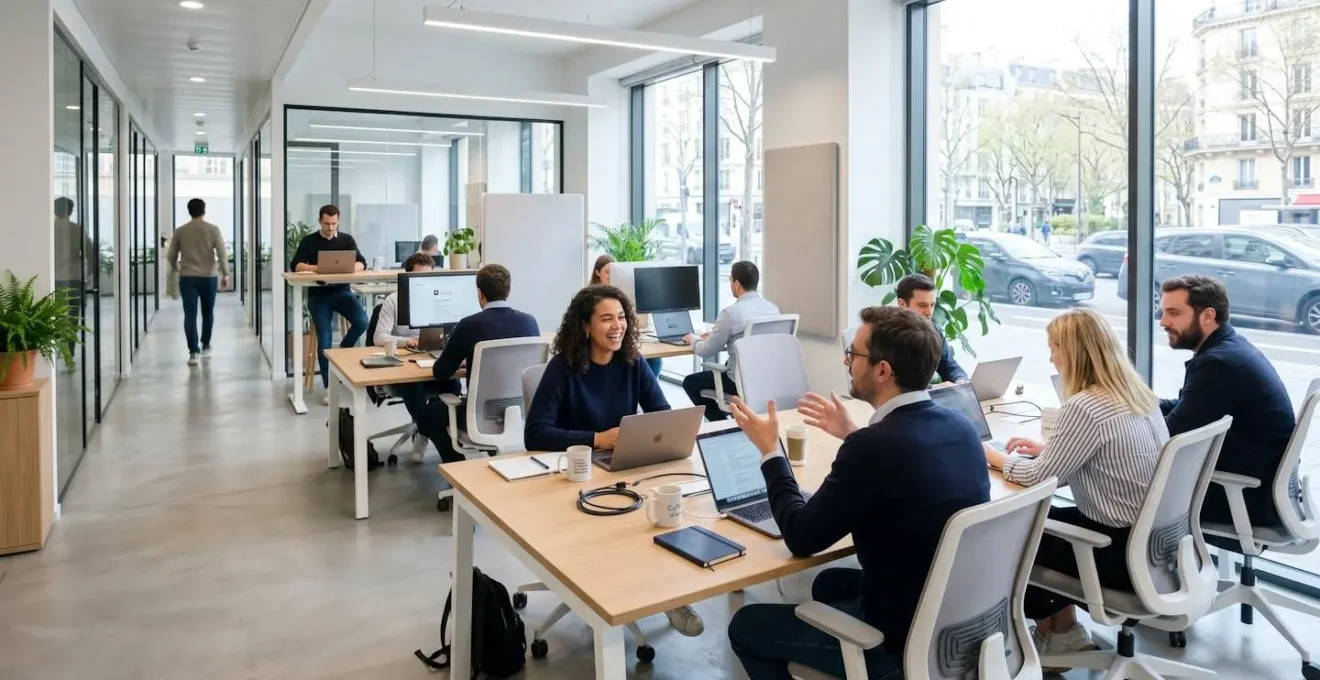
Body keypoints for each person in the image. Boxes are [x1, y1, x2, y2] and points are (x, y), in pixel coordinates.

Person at [725, 306, 990, 680]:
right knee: (827, 583)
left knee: (747, 625)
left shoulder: (874, 447)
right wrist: (854, 434)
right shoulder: (960, 426)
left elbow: (801, 537)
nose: (847, 362)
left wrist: (771, 452)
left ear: (883, 370)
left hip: (902, 637)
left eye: (854, 354)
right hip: (953, 617)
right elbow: (905, 470)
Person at [983, 308, 1166, 665]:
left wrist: (994, 457)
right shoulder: (1137, 394)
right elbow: (1100, 459)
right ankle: (1063, 629)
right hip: (1154, 545)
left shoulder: (1085, 406)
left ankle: (1054, 631)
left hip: (1116, 553)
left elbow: (1039, 479)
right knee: (1040, 520)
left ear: (1074, 352)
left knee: (1013, 532)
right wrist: (1050, 451)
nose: (1050, 357)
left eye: (1053, 347)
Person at [524, 285, 704, 637]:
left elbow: (661, 413)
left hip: (622, 467)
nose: (617, 325)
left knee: (667, 511)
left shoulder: (632, 363)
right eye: (606, 318)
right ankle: (612, 593)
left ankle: (668, 595)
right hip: (574, 475)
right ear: (585, 326)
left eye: (621, 317)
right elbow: (536, 433)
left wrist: (653, 436)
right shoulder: (563, 367)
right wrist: (595, 439)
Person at [1158, 275, 1295, 529]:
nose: (1163, 322)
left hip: (1244, 498)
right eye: (1163, 312)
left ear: (1208, 316)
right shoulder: (1230, 348)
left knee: (1129, 494)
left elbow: (1173, 434)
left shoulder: (1218, 364)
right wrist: (1138, 404)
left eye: (1173, 313)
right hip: (1262, 489)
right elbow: (1185, 409)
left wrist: (1125, 429)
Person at [420, 264, 540, 464]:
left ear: (480, 294)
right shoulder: (529, 322)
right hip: (520, 415)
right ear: (508, 291)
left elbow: (441, 372)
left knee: (427, 416)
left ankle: (459, 471)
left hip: (479, 418)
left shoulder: (468, 325)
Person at [288, 204, 369, 404]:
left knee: (362, 322)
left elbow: (362, 263)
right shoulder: (309, 241)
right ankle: (328, 387)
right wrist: (319, 269)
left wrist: (352, 268)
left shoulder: (346, 240)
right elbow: (296, 265)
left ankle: (341, 351)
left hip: (342, 293)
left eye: (334, 223)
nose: (331, 227)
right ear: (319, 221)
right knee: (324, 339)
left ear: (338, 221)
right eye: (327, 223)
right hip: (319, 296)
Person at [681, 261, 780, 420]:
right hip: (766, 381)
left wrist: (693, 339)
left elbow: (706, 351)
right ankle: (736, 422)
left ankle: (721, 423)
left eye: (730, 280)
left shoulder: (731, 313)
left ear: (737, 284)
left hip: (738, 383)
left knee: (691, 382)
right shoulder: (773, 309)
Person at [372, 252, 439, 462]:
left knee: (453, 386)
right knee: (414, 387)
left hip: (432, 358)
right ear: (407, 277)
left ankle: (438, 432)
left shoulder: (436, 298)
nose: (423, 283)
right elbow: (378, 336)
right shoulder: (393, 301)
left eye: (428, 277)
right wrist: (405, 342)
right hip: (403, 364)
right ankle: (426, 431)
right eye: (418, 277)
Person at [167, 198, 230, 366]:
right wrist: (225, 274)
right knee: (208, 312)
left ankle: (193, 352)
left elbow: (171, 256)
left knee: (190, 313)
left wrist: (177, 268)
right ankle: (206, 344)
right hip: (209, 277)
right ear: (204, 210)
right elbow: (222, 255)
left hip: (187, 278)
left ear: (189, 211)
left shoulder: (180, 231)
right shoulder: (213, 230)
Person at [591, 254, 663, 377]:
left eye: (613, 272)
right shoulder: (590, 298)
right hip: (607, 343)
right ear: (597, 273)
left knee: (655, 360)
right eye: (607, 272)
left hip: (628, 338)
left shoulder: (621, 295)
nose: (610, 276)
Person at [894, 273, 968, 384]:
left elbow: (949, 366)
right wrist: (934, 389)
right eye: (922, 305)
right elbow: (896, 385)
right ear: (902, 304)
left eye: (932, 305)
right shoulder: (888, 335)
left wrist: (961, 381)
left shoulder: (934, 330)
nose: (929, 312)